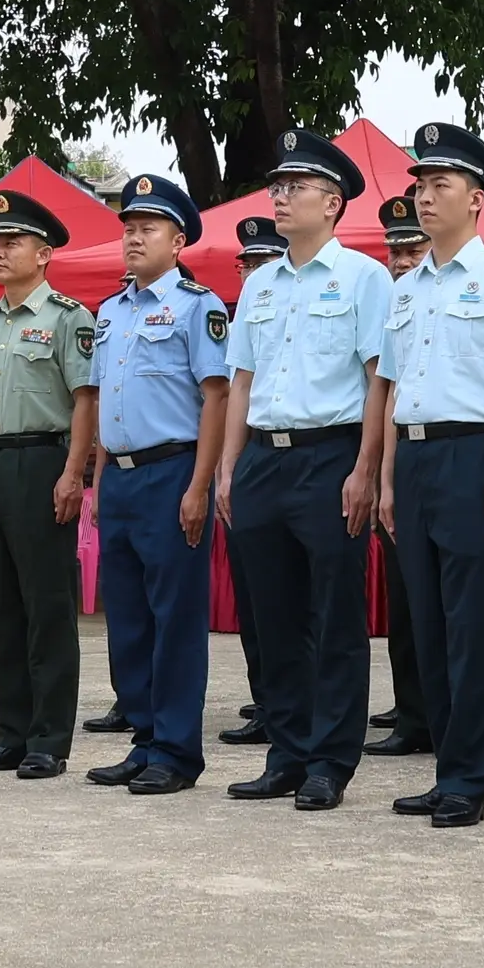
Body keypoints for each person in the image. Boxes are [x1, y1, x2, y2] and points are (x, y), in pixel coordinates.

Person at [368, 124, 484, 827]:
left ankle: (473, 777)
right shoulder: (406, 288)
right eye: (419, 184)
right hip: (412, 459)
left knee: (472, 626)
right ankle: (447, 768)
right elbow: (391, 383)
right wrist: (383, 478)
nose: (424, 196)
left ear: (476, 199)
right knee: (429, 627)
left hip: (477, 455)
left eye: (439, 185)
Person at [214, 134, 388, 809]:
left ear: (333, 201)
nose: (280, 197)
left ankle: (329, 761)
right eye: (277, 186)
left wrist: (366, 469)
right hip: (262, 457)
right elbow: (241, 381)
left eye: (296, 187)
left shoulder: (364, 278)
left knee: (335, 616)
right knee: (271, 616)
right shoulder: (259, 283)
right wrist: (230, 467)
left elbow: (379, 381)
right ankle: (285, 750)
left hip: (330, 455)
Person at [83, 174, 231, 796]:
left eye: (147, 229)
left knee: (175, 617)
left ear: (178, 240)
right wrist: (93, 484)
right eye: (129, 228)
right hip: (118, 478)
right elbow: (98, 405)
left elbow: (215, 397)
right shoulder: (110, 312)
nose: (133, 238)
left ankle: (175, 749)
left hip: (173, 471)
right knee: (129, 619)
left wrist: (199, 487)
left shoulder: (200, 307)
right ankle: (143, 740)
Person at [0, 189, 104, 778]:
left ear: (43, 254)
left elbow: (85, 399)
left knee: (47, 604)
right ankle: (10, 731)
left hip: (44, 462)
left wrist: (74, 473)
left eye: (11, 242)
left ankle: (48, 738)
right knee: (0, 608)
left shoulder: (68, 319)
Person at [366, 188, 441, 756]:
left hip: (457, 458)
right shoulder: (399, 304)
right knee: (405, 597)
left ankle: (445, 720)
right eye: (396, 252)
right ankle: (411, 710)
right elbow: (387, 394)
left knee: (450, 609)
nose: (402, 261)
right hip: (403, 462)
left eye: (412, 250)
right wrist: (383, 476)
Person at [219, 213, 287, 746]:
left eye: (262, 261)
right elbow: (232, 394)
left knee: (294, 604)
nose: (253, 271)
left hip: (304, 457)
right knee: (255, 594)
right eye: (247, 264)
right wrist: (227, 466)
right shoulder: (247, 310)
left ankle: (287, 707)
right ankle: (265, 697)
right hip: (251, 463)